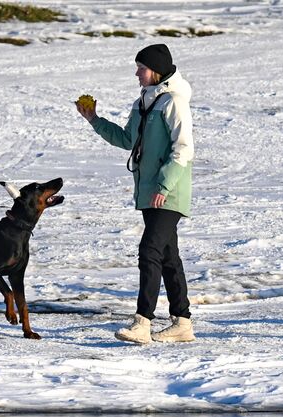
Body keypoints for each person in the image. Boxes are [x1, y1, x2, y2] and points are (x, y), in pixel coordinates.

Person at [76, 43, 196, 344]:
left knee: (149, 252)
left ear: (155, 70)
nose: (137, 73)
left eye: (141, 68)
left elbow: (184, 149)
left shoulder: (173, 102)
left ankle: (143, 323)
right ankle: (182, 322)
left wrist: (164, 185)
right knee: (168, 257)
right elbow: (128, 139)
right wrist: (94, 119)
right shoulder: (145, 101)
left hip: (168, 191)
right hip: (149, 192)